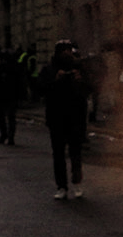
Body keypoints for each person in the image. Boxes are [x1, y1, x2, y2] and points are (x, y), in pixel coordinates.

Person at [39, 40, 91, 199]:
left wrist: (80, 80)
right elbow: (41, 90)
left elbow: (89, 89)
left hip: (75, 117)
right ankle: (61, 186)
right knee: (59, 154)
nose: (67, 54)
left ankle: (76, 183)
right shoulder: (49, 70)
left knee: (76, 152)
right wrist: (56, 79)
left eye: (69, 51)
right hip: (57, 118)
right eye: (64, 51)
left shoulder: (80, 68)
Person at [0, 45, 19, 145]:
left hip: (3, 95)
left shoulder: (1, 68)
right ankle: (9, 136)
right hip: (9, 95)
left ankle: (6, 135)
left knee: (3, 116)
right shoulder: (13, 68)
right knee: (9, 117)